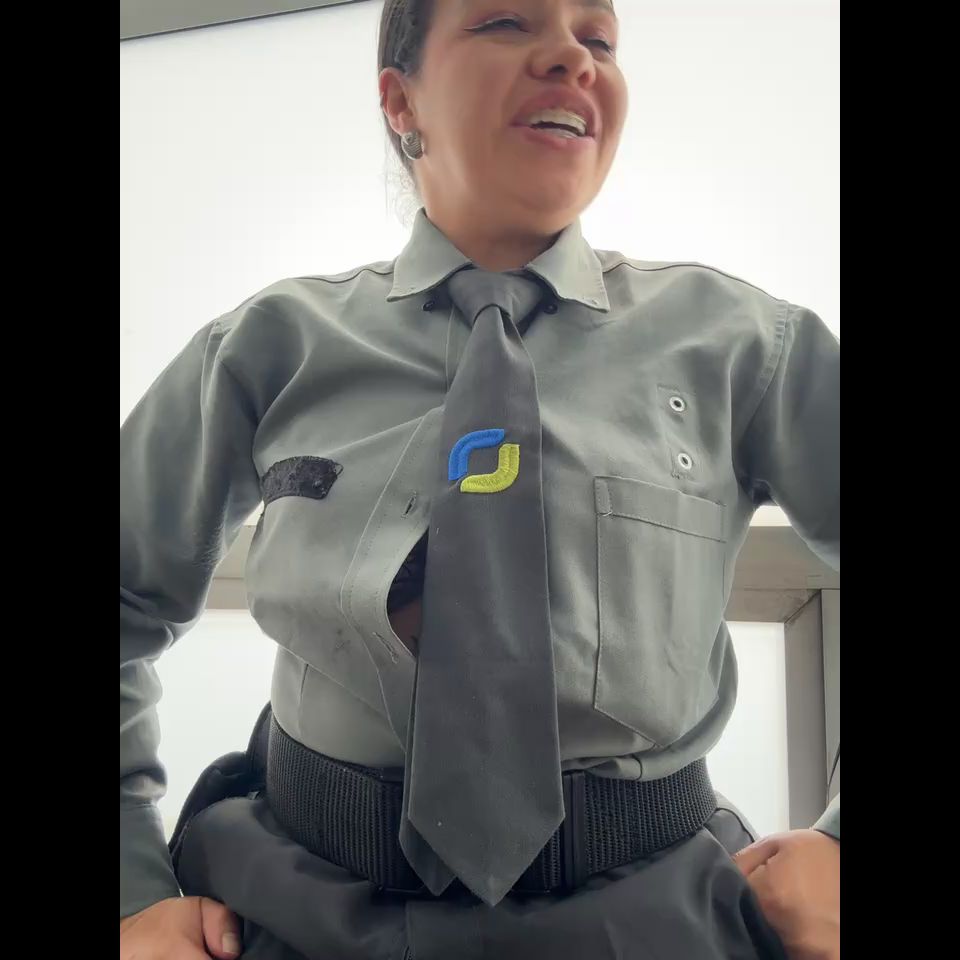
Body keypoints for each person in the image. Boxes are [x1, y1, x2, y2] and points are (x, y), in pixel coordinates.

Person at [120, 1, 840, 957]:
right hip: (289, 912)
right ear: (400, 98)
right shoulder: (265, 348)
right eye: (506, 21)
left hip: (658, 917)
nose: (571, 58)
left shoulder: (747, 347)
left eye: (598, 39)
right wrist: (130, 891)